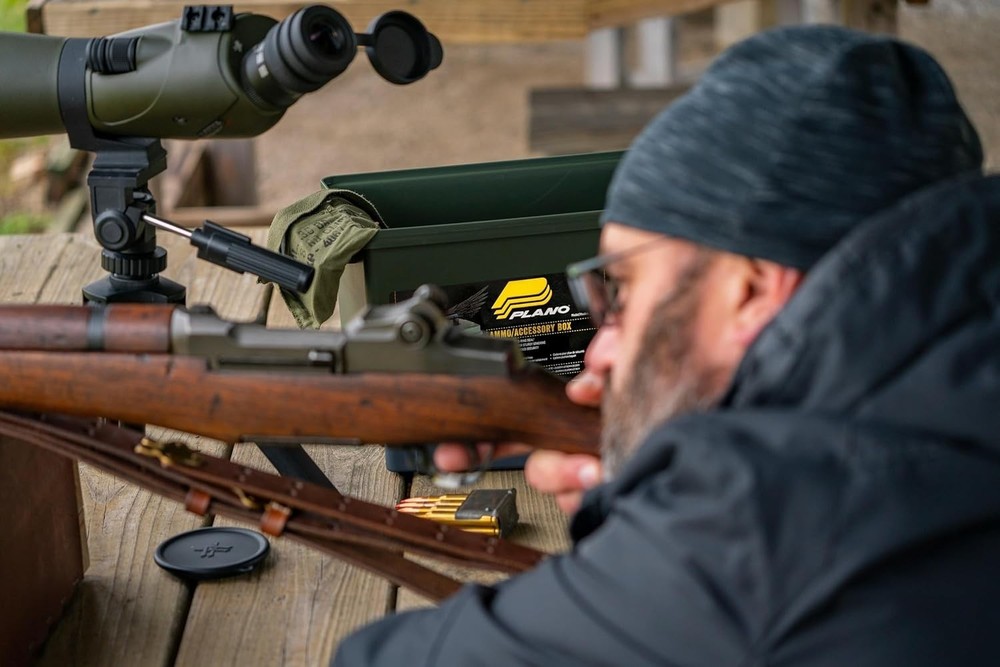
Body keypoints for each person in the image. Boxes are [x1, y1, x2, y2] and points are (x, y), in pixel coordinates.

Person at [333, 23, 1000, 666]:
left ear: (751, 289)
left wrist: (651, 534)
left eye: (620, 289)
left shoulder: (753, 526)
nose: (598, 352)